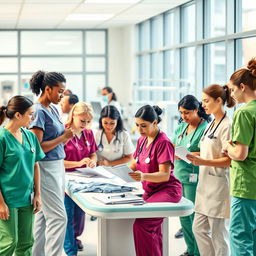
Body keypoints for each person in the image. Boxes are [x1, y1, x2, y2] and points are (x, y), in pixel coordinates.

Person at [187, 84, 235, 256]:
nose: (203, 105)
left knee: (219, 236)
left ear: (219, 100)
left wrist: (203, 161)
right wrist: (189, 155)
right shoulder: (211, 124)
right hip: (205, 186)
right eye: (202, 101)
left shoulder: (227, 125)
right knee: (198, 229)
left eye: (206, 101)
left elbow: (229, 160)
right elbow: (208, 150)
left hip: (219, 187)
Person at [29, 70, 73, 256]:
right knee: (59, 218)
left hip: (57, 166)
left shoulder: (53, 108)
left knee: (43, 218)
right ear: (47, 89)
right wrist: (62, 138)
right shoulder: (38, 111)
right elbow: (36, 148)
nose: (62, 95)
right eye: (60, 91)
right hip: (46, 168)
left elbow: (56, 136)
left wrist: (64, 137)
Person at [129, 105, 182, 256]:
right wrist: (117, 170)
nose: (140, 129)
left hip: (168, 190)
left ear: (154, 122)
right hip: (150, 190)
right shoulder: (141, 140)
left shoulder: (163, 142)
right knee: (152, 229)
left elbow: (164, 175)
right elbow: (135, 163)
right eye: (137, 125)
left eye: (143, 126)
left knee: (142, 224)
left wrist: (143, 176)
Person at [0, 96, 45, 255]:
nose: (32, 118)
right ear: (18, 115)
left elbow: (35, 164)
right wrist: (1, 203)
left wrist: (38, 194)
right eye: (30, 114)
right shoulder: (1, 138)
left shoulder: (30, 136)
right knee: (9, 242)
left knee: (26, 242)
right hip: (8, 199)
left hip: (27, 198)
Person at [223, 58, 256, 256]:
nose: (233, 95)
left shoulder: (244, 114)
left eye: (233, 90)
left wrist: (228, 146)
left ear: (242, 87)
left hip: (246, 186)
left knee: (240, 236)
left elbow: (240, 154)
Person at [172, 95, 210, 256]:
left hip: (194, 179)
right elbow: (173, 145)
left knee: (194, 218)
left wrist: (184, 154)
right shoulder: (181, 127)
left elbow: (206, 153)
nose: (183, 116)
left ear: (196, 110)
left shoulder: (205, 128)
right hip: (179, 176)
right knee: (183, 216)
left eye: (187, 112)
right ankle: (189, 249)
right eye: (181, 112)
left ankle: (197, 252)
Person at [64, 102, 97, 256]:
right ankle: (70, 251)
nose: (85, 124)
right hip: (65, 181)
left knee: (80, 215)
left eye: (88, 121)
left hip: (83, 180)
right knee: (68, 216)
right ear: (73, 116)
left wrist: (92, 161)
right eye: (82, 121)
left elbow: (93, 153)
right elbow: (57, 160)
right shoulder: (63, 132)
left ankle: (75, 238)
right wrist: (78, 163)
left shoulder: (88, 133)